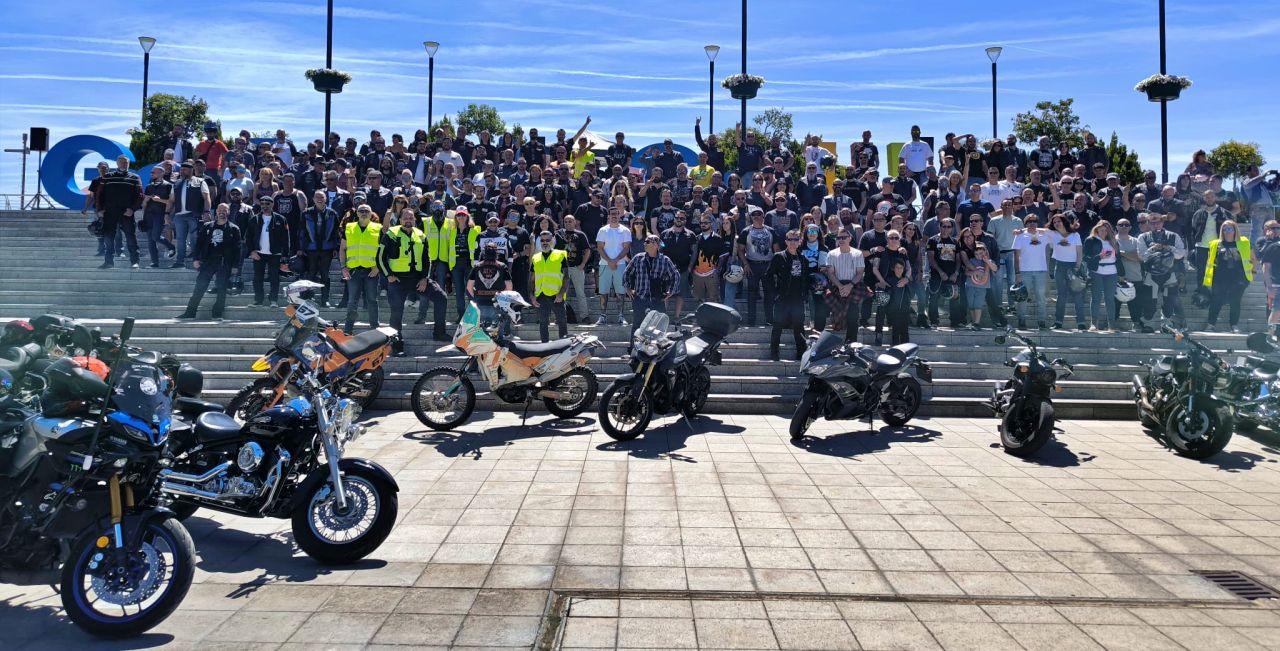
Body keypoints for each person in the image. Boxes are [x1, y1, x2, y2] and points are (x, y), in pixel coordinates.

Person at [379, 208, 446, 350]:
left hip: (417, 279)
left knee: (441, 297)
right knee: (396, 313)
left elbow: (427, 259)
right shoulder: (390, 234)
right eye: (405, 217)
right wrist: (389, 275)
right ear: (400, 219)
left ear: (415, 220)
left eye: (411, 217)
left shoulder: (421, 235)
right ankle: (396, 344)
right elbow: (379, 258)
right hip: (397, 280)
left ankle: (439, 333)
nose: (408, 220)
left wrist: (425, 278)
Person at [177, 204, 241, 321]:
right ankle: (190, 312)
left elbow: (237, 249)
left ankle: (217, 314)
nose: (222, 212)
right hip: (208, 261)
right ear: (216, 212)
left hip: (223, 262)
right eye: (220, 210)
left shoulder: (234, 228)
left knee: (221, 289)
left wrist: (235, 266)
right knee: (199, 287)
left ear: (228, 212)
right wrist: (196, 259)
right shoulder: (207, 226)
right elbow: (198, 245)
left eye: (224, 210)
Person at [764, 230, 810, 361]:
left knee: (799, 326)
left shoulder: (803, 259)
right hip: (782, 297)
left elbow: (806, 279)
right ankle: (774, 352)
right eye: (790, 239)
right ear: (786, 241)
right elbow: (768, 276)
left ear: (800, 241)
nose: (793, 242)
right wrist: (774, 294)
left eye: (796, 239)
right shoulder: (779, 257)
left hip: (797, 298)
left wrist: (805, 293)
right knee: (777, 325)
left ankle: (801, 354)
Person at [1202, 220, 1255, 333]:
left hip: (1239, 279)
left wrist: (1253, 271)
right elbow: (1209, 261)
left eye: (1230, 229)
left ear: (1235, 230)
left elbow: (1252, 258)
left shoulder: (1243, 242)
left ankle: (1234, 325)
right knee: (1216, 301)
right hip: (1219, 279)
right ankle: (1211, 325)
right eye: (1225, 229)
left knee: (1235, 302)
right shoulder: (1215, 243)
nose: (1227, 232)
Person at [1137, 213, 1187, 330]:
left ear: (1162, 222)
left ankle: (1167, 324)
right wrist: (1152, 248)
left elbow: (1181, 254)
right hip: (1151, 274)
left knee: (1169, 301)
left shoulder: (1174, 236)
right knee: (1150, 301)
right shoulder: (1143, 237)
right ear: (1148, 223)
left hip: (1170, 273)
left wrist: (1167, 247)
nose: (1155, 225)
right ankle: (1147, 323)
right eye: (1152, 223)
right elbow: (1141, 256)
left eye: (1158, 222)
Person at [623, 234, 679, 338]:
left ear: (656, 245)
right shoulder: (638, 258)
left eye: (648, 241)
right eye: (645, 241)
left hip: (657, 299)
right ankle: (633, 351)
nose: (645, 243)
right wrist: (628, 288)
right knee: (637, 326)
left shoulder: (665, 260)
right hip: (640, 298)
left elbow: (675, 275)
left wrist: (671, 291)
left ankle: (656, 352)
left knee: (659, 327)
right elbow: (627, 273)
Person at [340, 204, 382, 334]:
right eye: (361, 211)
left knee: (372, 300)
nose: (364, 213)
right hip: (354, 270)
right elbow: (342, 248)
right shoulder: (349, 227)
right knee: (352, 301)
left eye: (366, 211)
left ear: (371, 214)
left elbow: (383, 250)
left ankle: (374, 327)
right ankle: (348, 329)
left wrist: (378, 267)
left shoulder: (378, 228)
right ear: (357, 213)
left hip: (371, 270)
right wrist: (343, 267)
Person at [737, 207, 778, 327]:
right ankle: (751, 321)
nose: (756, 216)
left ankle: (770, 319)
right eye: (753, 214)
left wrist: (774, 267)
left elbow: (776, 250)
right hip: (752, 265)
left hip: (768, 265)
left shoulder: (771, 231)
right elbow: (740, 250)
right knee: (751, 294)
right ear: (750, 217)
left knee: (769, 293)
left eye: (759, 214)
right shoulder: (746, 231)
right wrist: (745, 264)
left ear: (763, 216)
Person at [1044, 213, 1086, 330]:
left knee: (1077, 295)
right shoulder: (1053, 234)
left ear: (1064, 221)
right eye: (1054, 222)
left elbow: (1079, 252)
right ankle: (1058, 322)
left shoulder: (1075, 235)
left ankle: (1081, 323)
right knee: (1061, 295)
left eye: (1059, 221)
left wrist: (1077, 267)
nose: (1057, 224)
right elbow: (1037, 230)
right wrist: (1021, 230)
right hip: (1060, 266)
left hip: (1074, 267)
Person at [300, 190, 341, 307]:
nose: (319, 199)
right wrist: (301, 248)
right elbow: (301, 232)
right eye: (317, 197)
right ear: (312, 199)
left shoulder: (332, 213)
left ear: (326, 199)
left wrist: (335, 248)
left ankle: (325, 299)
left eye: (322, 197)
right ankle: (309, 298)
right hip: (311, 248)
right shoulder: (306, 213)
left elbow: (336, 233)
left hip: (327, 249)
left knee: (325, 275)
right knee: (311, 273)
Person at [247, 196, 290, 307]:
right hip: (259, 253)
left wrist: (285, 256)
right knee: (257, 278)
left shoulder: (281, 219)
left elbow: (286, 239)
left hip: (274, 254)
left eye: (267, 203)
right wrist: (252, 251)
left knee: (274, 278)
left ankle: (273, 300)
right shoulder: (254, 219)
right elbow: (248, 237)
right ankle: (258, 300)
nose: (265, 206)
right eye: (262, 204)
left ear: (272, 204)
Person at [169, 161, 212, 269]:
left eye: (184, 169)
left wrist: (207, 212)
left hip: (194, 214)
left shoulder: (200, 181)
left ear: (191, 170)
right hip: (179, 215)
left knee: (194, 239)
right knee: (180, 239)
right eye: (181, 169)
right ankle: (180, 262)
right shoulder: (177, 183)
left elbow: (207, 198)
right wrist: (166, 213)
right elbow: (171, 200)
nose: (182, 171)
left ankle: (197, 260)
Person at [873, 231, 913, 346]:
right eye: (891, 238)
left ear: (899, 240)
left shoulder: (902, 252)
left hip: (899, 284)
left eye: (896, 238)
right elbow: (875, 268)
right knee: (881, 309)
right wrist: (881, 281)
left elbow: (909, 268)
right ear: (887, 239)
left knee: (900, 310)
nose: (894, 240)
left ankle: (899, 340)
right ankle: (878, 334)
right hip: (884, 284)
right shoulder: (881, 251)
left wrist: (906, 279)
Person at [1012, 215, 1051, 330]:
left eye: (1034, 222)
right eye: (1029, 222)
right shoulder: (1020, 236)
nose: (1032, 224)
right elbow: (1016, 255)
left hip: (1040, 271)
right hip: (1024, 271)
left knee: (1041, 297)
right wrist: (1017, 273)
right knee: (1023, 297)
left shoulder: (1043, 236)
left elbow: (1052, 231)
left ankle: (1042, 321)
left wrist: (1027, 229)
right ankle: (1022, 321)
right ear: (1025, 223)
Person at [531, 232, 570, 342]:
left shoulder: (560, 255)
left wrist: (561, 294)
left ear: (552, 240)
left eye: (547, 240)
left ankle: (563, 345)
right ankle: (545, 347)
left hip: (556, 294)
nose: (545, 243)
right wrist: (532, 295)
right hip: (541, 295)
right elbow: (531, 279)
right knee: (543, 322)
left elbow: (566, 277)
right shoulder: (535, 257)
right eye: (542, 240)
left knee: (562, 321)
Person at [596, 207, 632, 325]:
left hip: (620, 264)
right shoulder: (602, 230)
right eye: (612, 214)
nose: (614, 216)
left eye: (616, 214)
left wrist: (615, 260)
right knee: (603, 292)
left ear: (619, 215)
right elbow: (600, 247)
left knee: (620, 292)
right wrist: (609, 261)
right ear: (609, 216)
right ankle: (602, 316)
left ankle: (621, 316)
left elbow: (626, 248)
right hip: (604, 264)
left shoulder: (625, 230)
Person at [467, 243, 514, 331]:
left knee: (481, 334)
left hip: (480, 304)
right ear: (497, 253)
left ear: (484, 253)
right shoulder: (502, 266)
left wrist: (476, 298)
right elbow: (509, 287)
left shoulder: (477, 267)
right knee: (496, 334)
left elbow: (469, 287)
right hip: (497, 304)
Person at [926, 219, 963, 328]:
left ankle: (955, 322)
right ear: (939, 226)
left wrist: (956, 273)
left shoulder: (955, 242)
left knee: (955, 298)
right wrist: (940, 272)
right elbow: (931, 259)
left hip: (952, 274)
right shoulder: (932, 240)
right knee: (933, 298)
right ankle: (934, 321)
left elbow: (958, 259)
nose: (946, 229)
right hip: (937, 274)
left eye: (948, 227)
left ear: (952, 228)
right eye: (944, 226)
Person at [1083, 221, 1120, 332]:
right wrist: (1100, 257)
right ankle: (1093, 324)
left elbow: (1119, 259)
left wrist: (1122, 273)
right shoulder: (1090, 240)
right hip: (1097, 272)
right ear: (1097, 229)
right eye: (1101, 229)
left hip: (1112, 272)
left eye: (1106, 229)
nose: (1104, 232)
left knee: (1110, 299)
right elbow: (1086, 258)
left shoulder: (1113, 241)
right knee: (1096, 298)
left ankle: (1111, 325)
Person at [660, 211, 696, 319]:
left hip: (683, 268)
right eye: (677, 218)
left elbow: (694, 252)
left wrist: (690, 267)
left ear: (685, 220)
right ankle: (663, 317)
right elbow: (660, 250)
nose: (679, 220)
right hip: (667, 269)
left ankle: (676, 317)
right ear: (674, 219)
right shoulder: (665, 233)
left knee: (680, 294)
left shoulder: (691, 235)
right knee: (665, 293)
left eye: (682, 218)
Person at [557, 214, 591, 323]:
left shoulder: (580, 235)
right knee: (562, 293)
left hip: (577, 267)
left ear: (574, 222)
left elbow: (587, 250)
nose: (567, 223)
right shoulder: (559, 234)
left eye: (570, 221)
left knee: (580, 293)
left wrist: (583, 264)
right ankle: (561, 316)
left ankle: (585, 316)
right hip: (563, 269)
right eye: (565, 221)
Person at [451, 207, 482, 320]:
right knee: (459, 291)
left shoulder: (474, 230)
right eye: (458, 215)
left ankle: (472, 316)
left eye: (463, 215)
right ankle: (461, 316)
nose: (461, 217)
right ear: (455, 217)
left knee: (470, 291)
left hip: (470, 264)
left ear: (467, 216)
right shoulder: (452, 231)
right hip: (456, 264)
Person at [141, 166, 175, 268]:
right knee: (150, 240)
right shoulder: (148, 186)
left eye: (153, 172)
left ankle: (171, 246)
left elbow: (171, 202)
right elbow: (143, 205)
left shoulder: (168, 186)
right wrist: (145, 201)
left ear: (161, 173)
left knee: (155, 236)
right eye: (151, 172)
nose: (151, 174)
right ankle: (154, 262)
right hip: (148, 215)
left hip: (160, 214)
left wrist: (159, 200)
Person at [964, 244, 996, 331]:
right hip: (970, 285)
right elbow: (966, 272)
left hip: (982, 287)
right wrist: (975, 272)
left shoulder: (988, 261)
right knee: (971, 304)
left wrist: (987, 261)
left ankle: (977, 323)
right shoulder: (971, 261)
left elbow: (995, 268)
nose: (979, 256)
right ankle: (974, 322)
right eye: (976, 254)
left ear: (985, 252)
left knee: (978, 303)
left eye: (981, 253)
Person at [1259, 221, 1280, 335]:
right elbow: (1265, 267)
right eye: (1274, 228)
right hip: (1277, 285)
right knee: (1276, 311)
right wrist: (1269, 287)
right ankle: (1270, 337)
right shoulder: (1272, 246)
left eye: (1278, 228)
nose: (1277, 230)